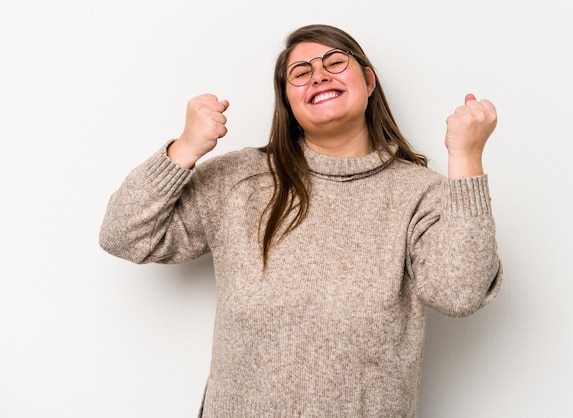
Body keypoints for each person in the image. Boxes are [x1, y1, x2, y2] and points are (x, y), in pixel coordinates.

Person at [100, 23, 502, 417]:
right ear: (288, 101)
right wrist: (184, 148)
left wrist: (466, 159)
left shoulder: (420, 192)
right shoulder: (239, 180)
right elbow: (124, 235)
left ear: (369, 80)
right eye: (301, 72)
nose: (319, 75)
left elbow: (459, 294)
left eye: (334, 62)